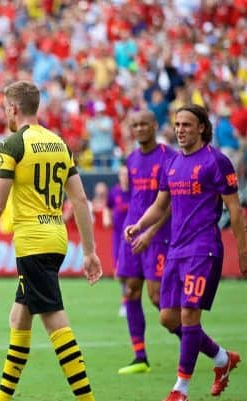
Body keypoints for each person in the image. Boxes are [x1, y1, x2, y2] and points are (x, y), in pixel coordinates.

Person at [0, 80, 102, 401]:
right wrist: (90, 251)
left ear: (12, 108)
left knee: (54, 319)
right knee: (18, 316)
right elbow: (80, 200)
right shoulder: (59, 144)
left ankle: (87, 398)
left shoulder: (12, 145)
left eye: (4, 108)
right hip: (57, 238)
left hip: (32, 242)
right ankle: (2, 397)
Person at [125, 104, 246, 401]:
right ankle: (221, 359)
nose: (180, 130)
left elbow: (234, 209)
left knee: (190, 314)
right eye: (177, 124)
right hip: (175, 250)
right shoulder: (173, 163)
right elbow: (160, 205)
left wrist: (243, 252)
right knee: (168, 318)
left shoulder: (216, 162)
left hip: (203, 250)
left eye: (187, 125)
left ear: (202, 128)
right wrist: (140, 225)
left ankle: (181, 389)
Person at [117, 110, 176, 374]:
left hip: (158, 235)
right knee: (130, 290)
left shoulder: (169, 157)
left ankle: (194, 342)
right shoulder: (131, 159)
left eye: (144, 124)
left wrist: (151, 232)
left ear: (154, 125)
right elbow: (137, 200)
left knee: (156, 297)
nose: (139, 128)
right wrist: (131, 229)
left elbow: (173, 201)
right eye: (135, 124)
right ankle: (140, 357)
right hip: (133, 232)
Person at [106, 165, 130, 317]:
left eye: (127, 174)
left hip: (134, 237)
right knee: (120, 273)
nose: (124, 177)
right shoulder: (114, 192)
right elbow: (108, 207)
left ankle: (127, 302)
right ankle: (126, 301)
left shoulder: (135, 191)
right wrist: (107, 218)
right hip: (118, 238)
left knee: (132, 273)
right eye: (122, 174)